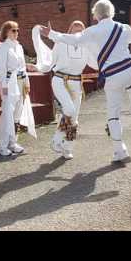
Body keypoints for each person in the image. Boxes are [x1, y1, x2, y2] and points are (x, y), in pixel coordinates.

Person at [40, 0, 131, 163]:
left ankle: (120, 149)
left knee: (113, 115)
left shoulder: (92, 32)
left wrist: (51, 34)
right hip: (130, 70)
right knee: (130, 81)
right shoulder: (124, 28)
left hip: (112, 76)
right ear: (112, 12)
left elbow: (74, 40)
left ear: (95, 16)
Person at [30, 21, 98, 159]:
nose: (78, 33)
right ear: (69, 31)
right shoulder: (61, 43)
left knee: (74, 118)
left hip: (77, 83)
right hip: (60, 80)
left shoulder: (86, 46)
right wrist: (38, 67)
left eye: (81, 31)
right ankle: (56, 139)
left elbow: (95, 64)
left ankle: (67, 147)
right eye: (75, 30)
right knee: (69, 110)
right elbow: (50, 62)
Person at [0, 21, 30, 156]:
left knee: (17, 114)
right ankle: (2, 145)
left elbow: (23, 67)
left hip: (20, 82)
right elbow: (2, 70)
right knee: (7, 114)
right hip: (9, 83)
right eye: (13, 30)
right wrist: (3, 86)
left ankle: (13, 142)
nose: (16, 33)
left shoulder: (19, 47)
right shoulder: (2, 48)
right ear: (6, 32)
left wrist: (27, 82)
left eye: (17, 30)